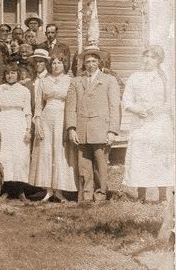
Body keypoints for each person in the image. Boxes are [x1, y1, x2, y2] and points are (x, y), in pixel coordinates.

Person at [66, 47, 120, 203]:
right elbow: (70, 107)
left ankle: (101, 194)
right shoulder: (76, 81)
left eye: (94, 61)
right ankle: (87, 195)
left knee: (100, 164)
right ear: (83, 63)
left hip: (101, 129)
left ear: (99, 62)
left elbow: (114, 107)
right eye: (87, 61)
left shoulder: (109, 80)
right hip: (81, 129)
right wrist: (71, 128)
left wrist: (112, 131)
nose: (90, 64)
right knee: (84, 165)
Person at [122, 45, 174, 203]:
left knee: (160, 156)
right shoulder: (135, 77)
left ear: (159, 60)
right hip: (141, 123)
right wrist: (137, 110)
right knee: (140, 156)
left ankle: (163, 195)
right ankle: (141, 194)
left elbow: (170, 101)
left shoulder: (165, 78)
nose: (148, 60)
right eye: (146, 56)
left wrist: (156, 110)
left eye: (153, 57)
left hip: (159, 122)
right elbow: (126, 100)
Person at [28, 54, 77, 202]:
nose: (56, 65)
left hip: (63, 118)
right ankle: (48, 190)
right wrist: (38, 123)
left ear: (64, 65)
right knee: (46, 151)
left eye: (59, 63)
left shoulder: (70, 81)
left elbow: (72, 103)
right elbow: (38, 105)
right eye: (54, 63)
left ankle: (60, 190)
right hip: (46, 118)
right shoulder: (44, 81)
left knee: (60, 152)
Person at [0, 63, 33, 200]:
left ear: (18, 74)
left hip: (19, 123)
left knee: (19, 156)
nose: (10, 76)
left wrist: (28, 130)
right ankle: (6, 189)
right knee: (5, 156)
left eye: (13, 73)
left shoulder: (24, 90)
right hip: (4, 122)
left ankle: (20, 190)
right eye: (7, 73)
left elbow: (28, 111)